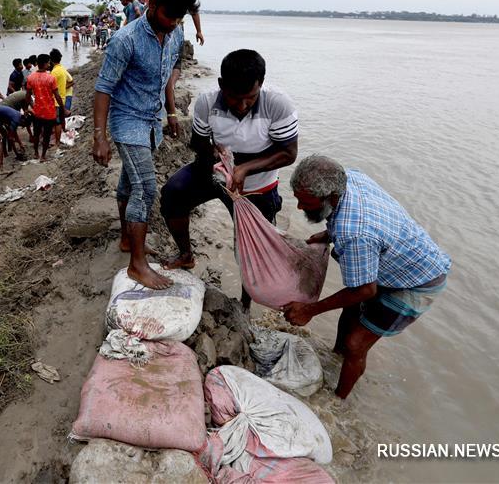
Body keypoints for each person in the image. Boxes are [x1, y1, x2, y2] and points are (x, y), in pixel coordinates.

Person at [283, 155, 452, 399]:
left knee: (356, 344)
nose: (299, 207)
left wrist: (310, 310)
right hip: (393, 259)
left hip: (417, 282)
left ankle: (338, 400)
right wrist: (328, 233)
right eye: (298, 200)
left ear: (331, 197)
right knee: (350, 311)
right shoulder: (351, 178)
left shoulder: (354, 233)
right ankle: (335, 357)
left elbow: (364, 290)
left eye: (306, 203)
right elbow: (348, 218)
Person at [161, 49, 298, 310]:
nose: (242, 105)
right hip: (216, 173)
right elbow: (197, 142)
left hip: (258, 187)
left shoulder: (278, 104)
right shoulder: (206, 103)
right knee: (173, 193)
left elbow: (288, 153)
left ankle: (246, 304)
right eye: (235, 98)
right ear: (222, 85)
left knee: (252, 248)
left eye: (250, 98)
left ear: (261, 84)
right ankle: (186, 255)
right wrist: (215, 155)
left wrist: (245, 169)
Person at [92, 0, 197, 290]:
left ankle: (127, 239)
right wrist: (100, 137)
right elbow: (103, 87)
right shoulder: (125, 39)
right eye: (169, 15)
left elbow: (168, 75)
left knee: (129, 182)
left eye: (180, 17)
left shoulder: (176, 31)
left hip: (151, 121)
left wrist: (172, 113)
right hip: (126, 121)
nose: (174, 22)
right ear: (151, 4)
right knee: (147, 187)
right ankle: (137, 264)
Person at [26, 53, 65, 162]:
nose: (49, 64)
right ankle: (43, 156)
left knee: (37, 133)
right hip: (49, 111)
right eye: (48, 62)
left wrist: (31, 107)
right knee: (47, 135)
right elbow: (57, 95)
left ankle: (35, 153)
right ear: (45, 63)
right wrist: (62, 107)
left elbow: (28, 96)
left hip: (37, 111)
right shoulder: (51, 78)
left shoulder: (30, 78)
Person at [49, 48, 74, 147]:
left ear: (51, 60)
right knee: (61, 119)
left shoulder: (54, 72)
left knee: (57, 122)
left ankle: (57, 142)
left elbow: (51, 88)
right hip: (62, 98)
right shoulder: (62, 69)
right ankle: (63, 131)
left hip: (56, 100)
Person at [0, 89, 29, 159]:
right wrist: (17, 154)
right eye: (22, 125)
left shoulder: (18, 115)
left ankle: (7, 151)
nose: (21, 126)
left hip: (1, 112)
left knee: (8, 133)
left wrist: (20, 144)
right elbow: (11, 138)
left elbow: (14, 132)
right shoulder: (16, 120)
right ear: (23, 121)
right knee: (3, 135)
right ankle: (4, 153)